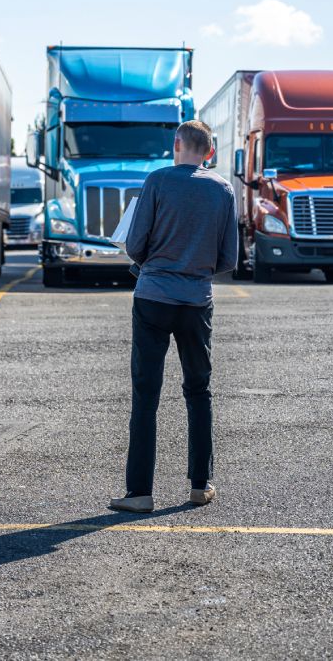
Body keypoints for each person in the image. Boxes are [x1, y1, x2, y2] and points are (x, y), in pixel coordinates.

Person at [110, 120, 238, 513]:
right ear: (210, 152)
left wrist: (154, 259)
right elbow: (229, 258)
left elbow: (135, 244)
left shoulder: (158, 180)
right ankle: (200, 484)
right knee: (199, 392)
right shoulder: (223, 189)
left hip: (153, 298)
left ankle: (140, 493)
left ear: (177, 144)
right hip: (197, 301)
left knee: (146, 394)